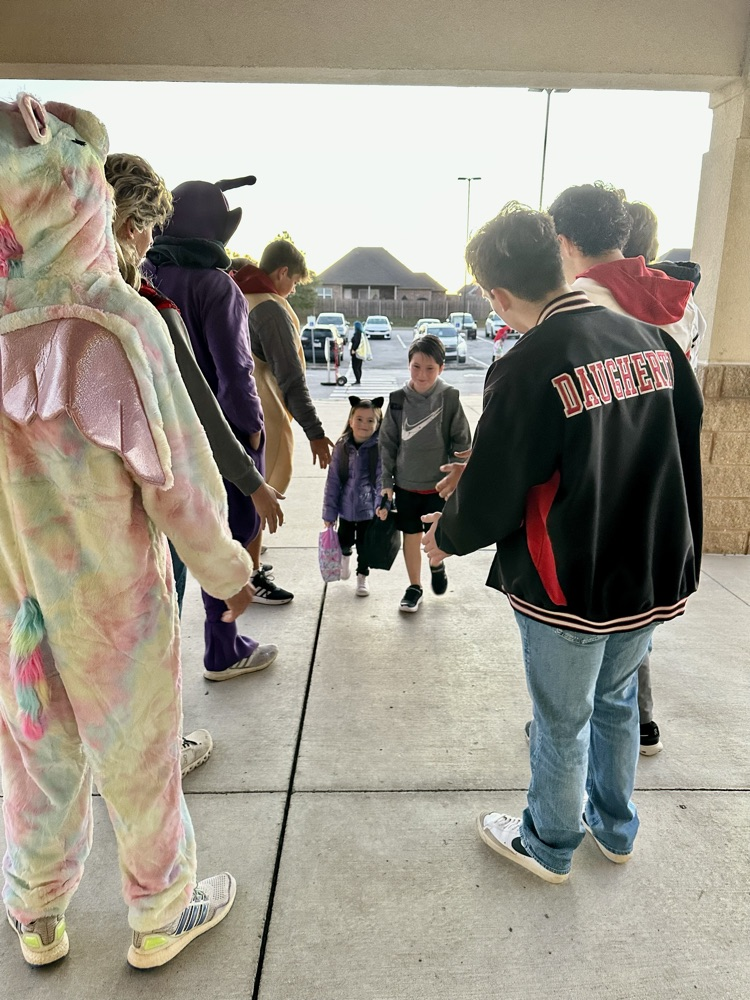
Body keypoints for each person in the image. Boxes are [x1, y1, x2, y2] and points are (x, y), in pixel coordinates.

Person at [0, 93, 254, 968]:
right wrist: (225, 568)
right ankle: (159, 916)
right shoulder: (117, 317)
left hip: (12, 596)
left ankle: (35, 914)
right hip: (114, 599)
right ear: (80, 190)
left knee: (33, 755)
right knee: (141, 754)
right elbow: (179, 477)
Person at [423, 203, 703, 883]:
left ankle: (548, 844)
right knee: (614, 705)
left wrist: (445, 536)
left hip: (569, 582)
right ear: (561, 260)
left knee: (560, 721)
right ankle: (615, 827)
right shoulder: (651, 339)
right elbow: (676, 441)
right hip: (647, 571)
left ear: (499, 294)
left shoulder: (529, 364)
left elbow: (495, 492)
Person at [106, 152, 286, 774]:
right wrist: (254, 466)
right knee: (167, 602)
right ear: (132, 224)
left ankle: (122, 739)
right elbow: (213, 393)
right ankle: (174, 722)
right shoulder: (172, 299)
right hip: (182, 463)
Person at [548, 182, 707, 753]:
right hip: (665, 480)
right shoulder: (684, 304)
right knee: (639, 609)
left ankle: (571, 722)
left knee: (586, 627)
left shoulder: (581, 306)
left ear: (565, 241)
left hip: (599, 484)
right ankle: (637, 721)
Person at [145, 178, 286, 669]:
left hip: (156, 436)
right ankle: (223, 648)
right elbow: (235, 370)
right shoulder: (217, 285)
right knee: (225, 532)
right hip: (217, 433)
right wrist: (251, 433)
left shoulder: (144, 275)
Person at [233, 240, 334, 597]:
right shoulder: (270, 309)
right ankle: (251, 578)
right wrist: (315, 432)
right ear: (282, 273)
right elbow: (290, 377)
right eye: (294, 283)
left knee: (248, 492)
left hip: (236, 408)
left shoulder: (237, 293)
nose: (292, 291)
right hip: (266, 412)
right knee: (263, 492)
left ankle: (246, 569)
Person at [378, 334, 471, 613]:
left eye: (430, 368)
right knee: (410, 535)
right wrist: (387, 483)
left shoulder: (450, 397)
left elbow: (462, 441)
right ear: (408, 365)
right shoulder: (396, 400)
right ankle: (414, 586)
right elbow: (387, 444)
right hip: (406, 485)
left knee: (436, 535)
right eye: (416, 366)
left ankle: (436, 563)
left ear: (441, 368)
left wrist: (456, 477)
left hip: (438, 486)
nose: (422, 374)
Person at [322, 396, 384, 597]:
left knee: (366, 548)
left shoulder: (378, 448)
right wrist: (329, 514)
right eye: (359, 419)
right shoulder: (342, 447)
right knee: (344, 541)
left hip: (369, 509)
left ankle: (362, 577)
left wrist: (382, 505)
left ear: (378, 424)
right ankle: (345, 558)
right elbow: (333, 482)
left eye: (370, 420)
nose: (363, 424)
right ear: (350, 421)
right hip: (346, 508)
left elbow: (382, 478)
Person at [349, 320, 369, 385]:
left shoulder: (357, 334)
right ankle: (358, 379)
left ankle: (357, 380)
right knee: (359, 367)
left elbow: (357, 342)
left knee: (355, 367)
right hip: (361, 353)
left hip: (357, 353)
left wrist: (353, 349)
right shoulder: (362, 333)